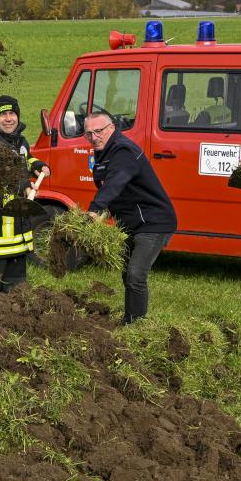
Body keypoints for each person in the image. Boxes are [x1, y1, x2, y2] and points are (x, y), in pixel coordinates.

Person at [84, 111, 177, 324]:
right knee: (127, 274)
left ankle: (137, 325)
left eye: (98, 131)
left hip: (153, 222)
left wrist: (95, 209)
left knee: (136, 274)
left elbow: (117, 181)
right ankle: (131, 318)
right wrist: (105, 212)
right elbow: (114, 189)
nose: (94, 137)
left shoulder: (123, 151)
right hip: (131, 223)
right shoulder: (103, 153)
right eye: (88, 133)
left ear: (112, 128)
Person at [0, 95, 50, 292]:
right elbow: (0, 173)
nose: (9, 118)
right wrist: (24, 185)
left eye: (12, 113)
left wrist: (36, 164)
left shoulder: (19, 141)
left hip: (15, 237)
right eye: (3, 114)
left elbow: (23, 159)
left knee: (16, 289)